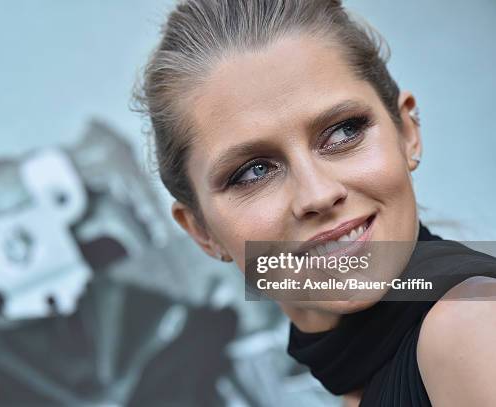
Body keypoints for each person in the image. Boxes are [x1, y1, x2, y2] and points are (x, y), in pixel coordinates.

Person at [134, 0, 496, 405]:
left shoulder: (471, 328)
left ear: (407, 131)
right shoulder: (371, 376)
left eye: (343, 132)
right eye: (253, 171)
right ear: (201, 231)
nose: (318, 195)